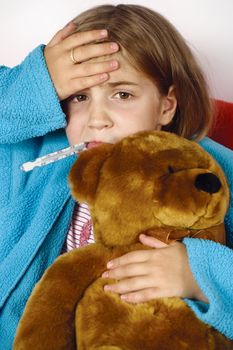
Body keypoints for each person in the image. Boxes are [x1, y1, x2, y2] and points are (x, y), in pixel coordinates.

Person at [0, 4, 232, 348]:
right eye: (79, 96)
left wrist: (201, 275)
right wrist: (36, 82)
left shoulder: (209, 170)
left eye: (122, 94)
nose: (97, 119)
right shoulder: (31, 156)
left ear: (166, 105)